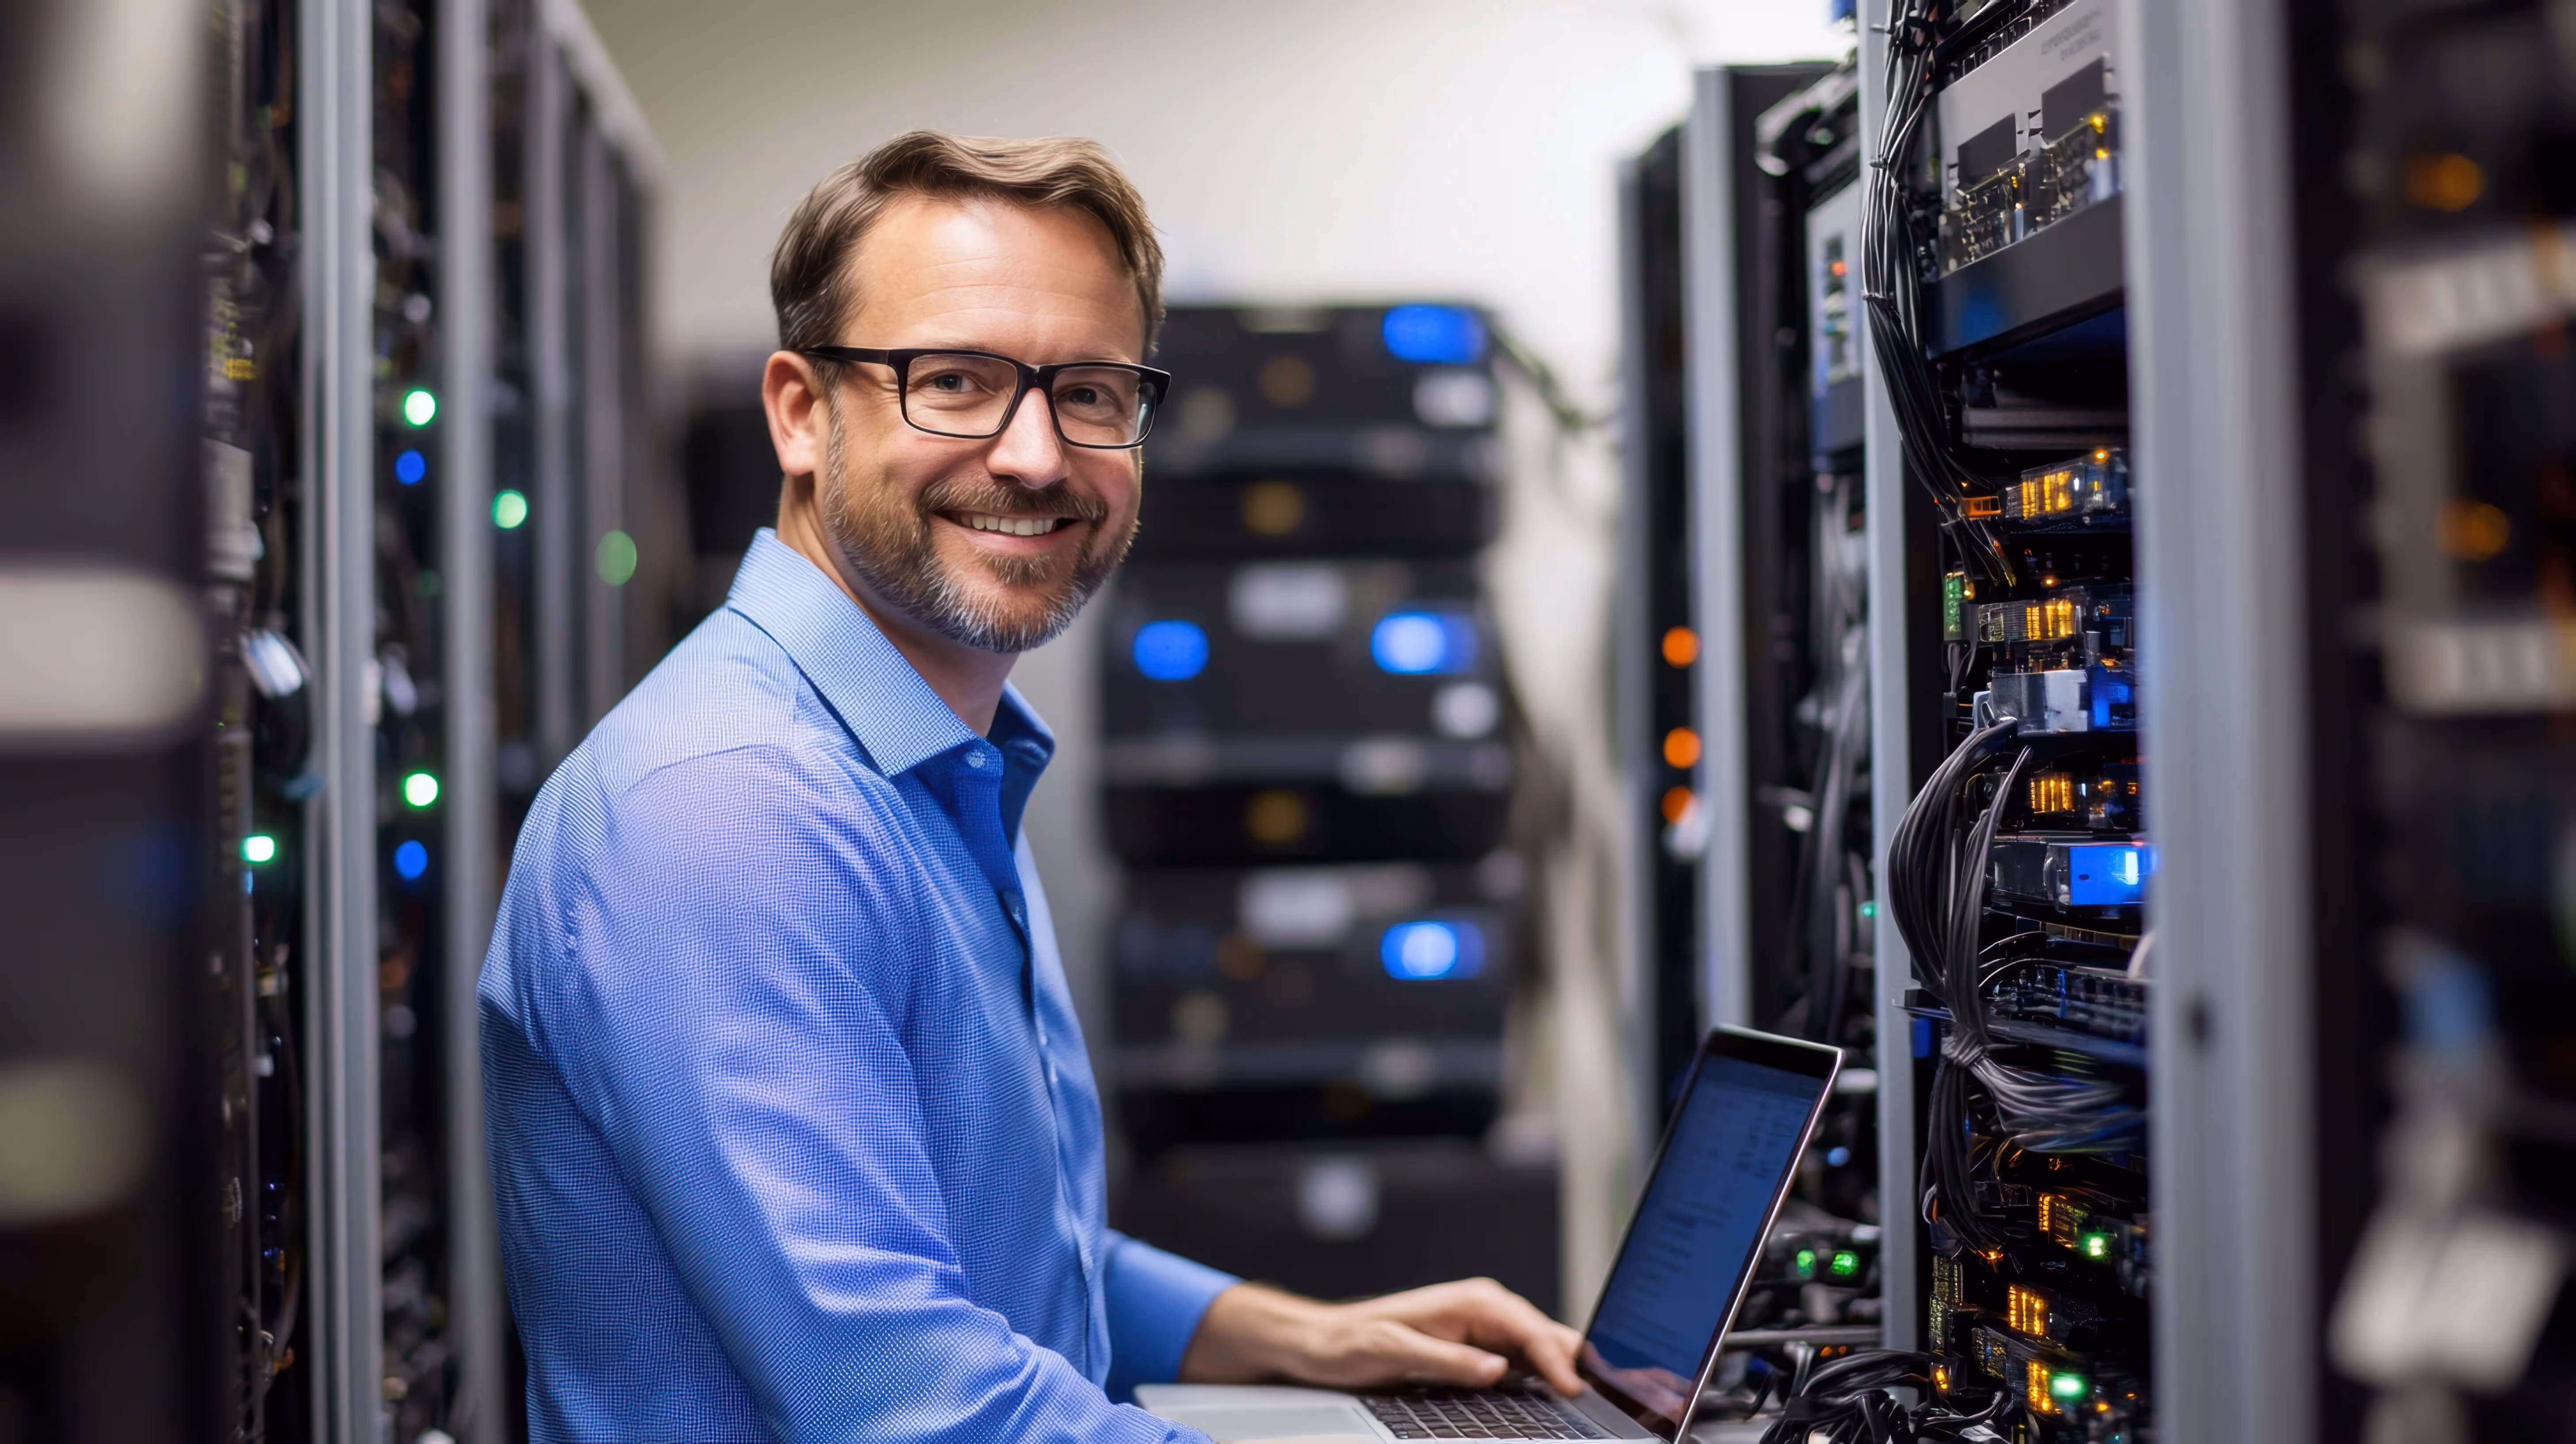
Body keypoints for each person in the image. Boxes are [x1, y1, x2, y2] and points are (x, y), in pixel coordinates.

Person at [479, 131, 1582, 1444]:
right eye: (954, 381)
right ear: (798, 413)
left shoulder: (938, 763)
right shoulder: (736, 812)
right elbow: (911, 1408)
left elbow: (981, 1236)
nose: (1036, 456)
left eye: (1093, 394)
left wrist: (1301, 1338)